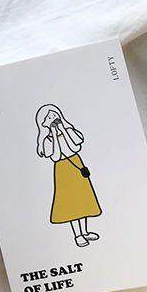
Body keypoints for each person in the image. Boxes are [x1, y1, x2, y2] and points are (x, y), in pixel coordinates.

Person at [35, 104, 101, 247]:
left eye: (54, 115)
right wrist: (54, 135)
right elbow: (56, 156)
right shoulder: (47, 140)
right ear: (43, 123)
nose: (53, 119)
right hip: (62, 169)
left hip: (76, 164)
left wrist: (64, 130)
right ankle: (78, 235)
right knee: (70, 202)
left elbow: (76, 146)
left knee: (82, 198)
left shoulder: (68, 130)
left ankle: (85, 232)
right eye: (49, 117)